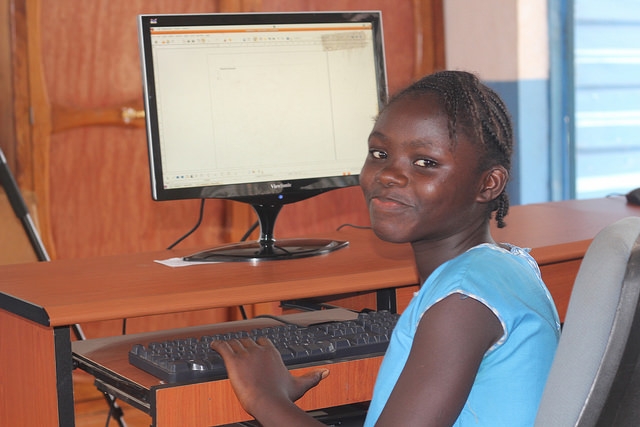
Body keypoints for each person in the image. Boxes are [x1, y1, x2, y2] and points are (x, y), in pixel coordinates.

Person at [210, 70, 561, 426]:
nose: (388, 175)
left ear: (488, 184)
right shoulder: (505, 266)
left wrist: (264, 397)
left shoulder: (462, 304)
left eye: (425, 163)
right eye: (379, 153)